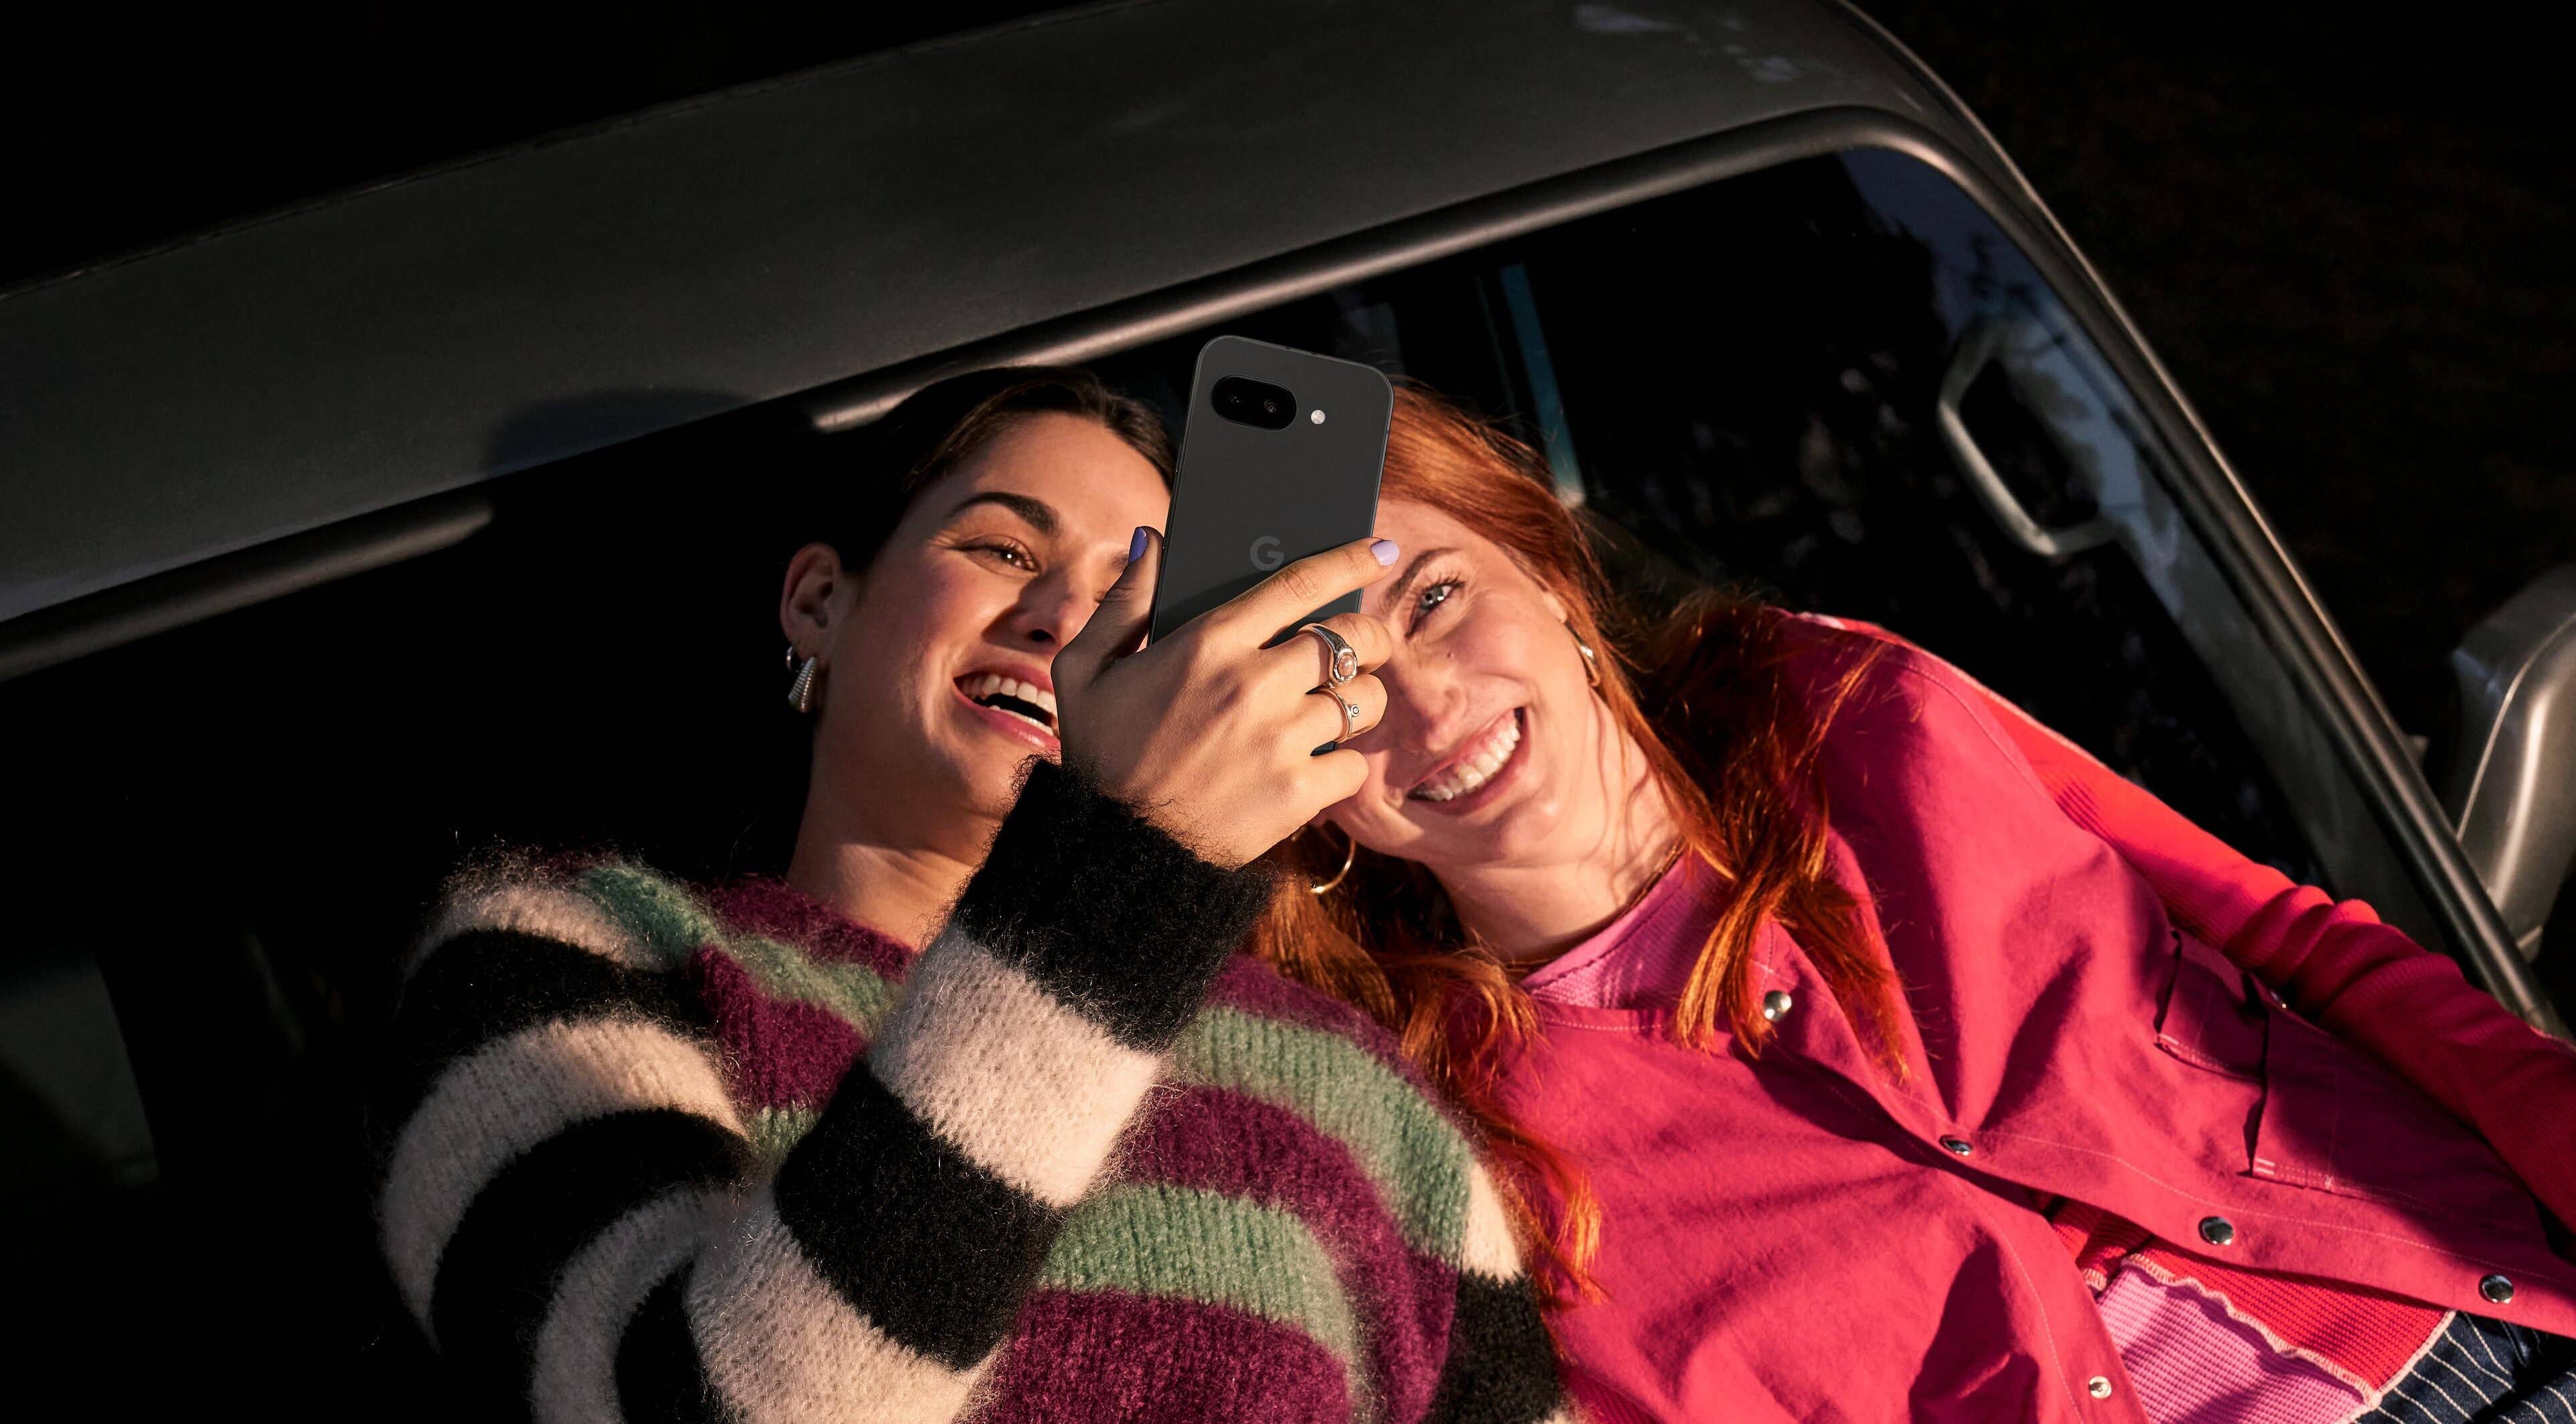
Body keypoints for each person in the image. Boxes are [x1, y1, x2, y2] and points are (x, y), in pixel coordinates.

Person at [1253, 384, 2576, 1423]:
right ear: (1306, 788)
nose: (1424, 702)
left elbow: (2292, 941)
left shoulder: (1838, 704)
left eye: (1434, 597)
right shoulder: (1455, 1155)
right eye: (1336, 685)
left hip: (2491, 1324)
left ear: (1544, 569)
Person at [372, 367, 1570, 1423]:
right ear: (817, 604)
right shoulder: (565, 961)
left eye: (1131, 594)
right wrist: (1124, 874)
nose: (1061, 618)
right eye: (1002, 550)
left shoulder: (1345, 1091)